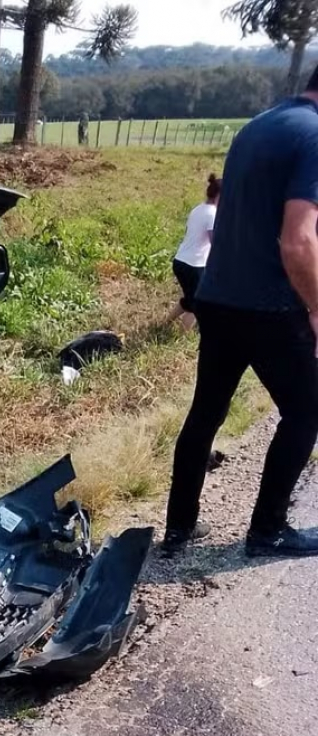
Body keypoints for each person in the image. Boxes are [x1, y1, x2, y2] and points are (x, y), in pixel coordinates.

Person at [162, 67, 318, 557]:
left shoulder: (261, 123)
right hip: (268, 304)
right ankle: (267, 531)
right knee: (306, 411)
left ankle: (178, 530)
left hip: (218, 296)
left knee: (206, 411)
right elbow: (299, 242)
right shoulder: (315, 137)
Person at [166, 175, 222, 331]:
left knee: (189, 300)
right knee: (197, 304)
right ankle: (181, 336)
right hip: (194, 265)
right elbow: (215, 243)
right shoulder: (212, 213)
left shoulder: (198, 209)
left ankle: (165, 323)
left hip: (180, 261)